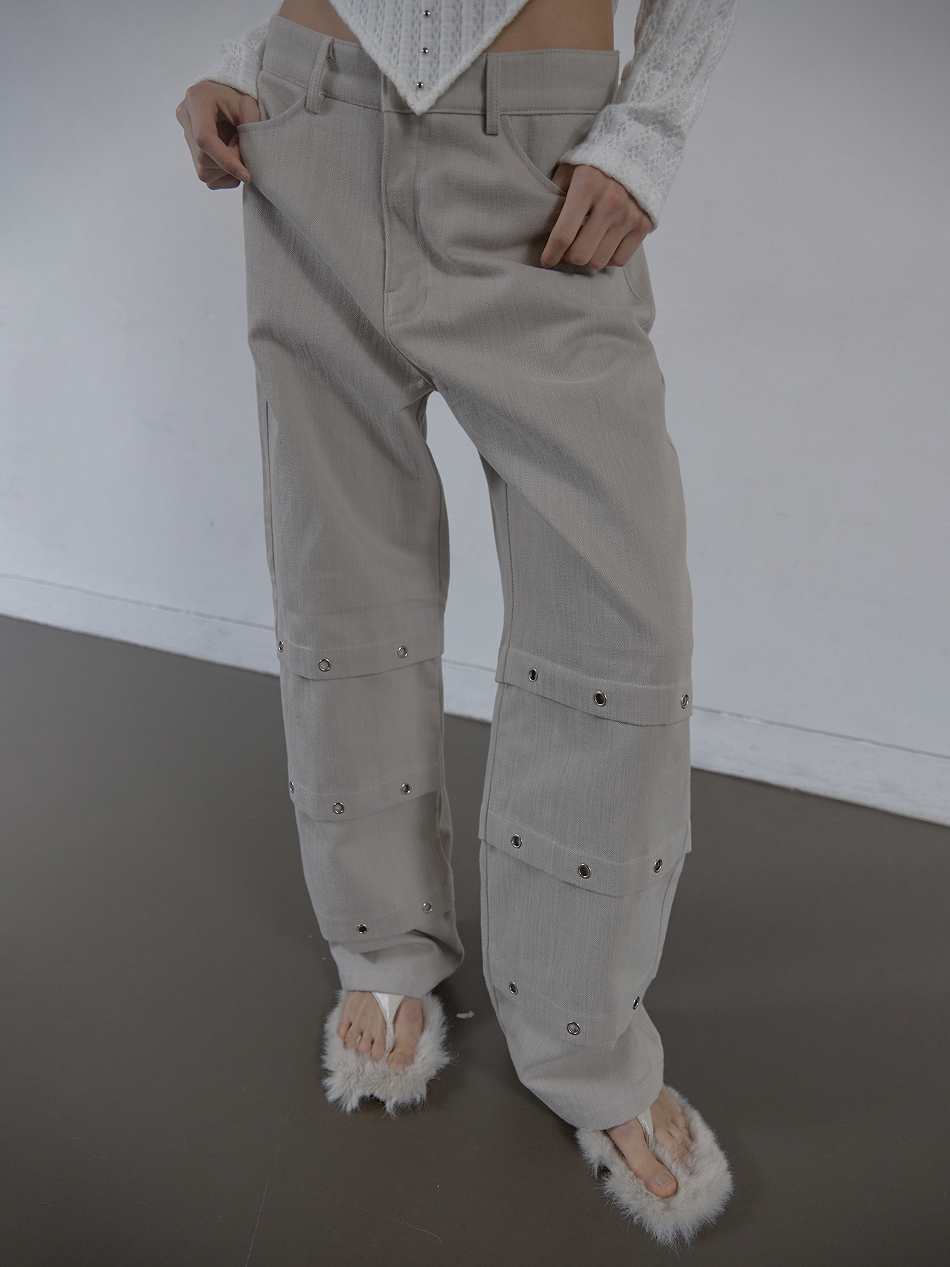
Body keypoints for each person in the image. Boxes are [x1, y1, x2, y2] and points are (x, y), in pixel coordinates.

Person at [177, 0, 737, 1245]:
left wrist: (644, 130)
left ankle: (579, 1029)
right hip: (306, 127)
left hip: (541, 170)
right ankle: (379, 941)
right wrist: (237, 54)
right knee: (342, 572)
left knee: (621, 621)